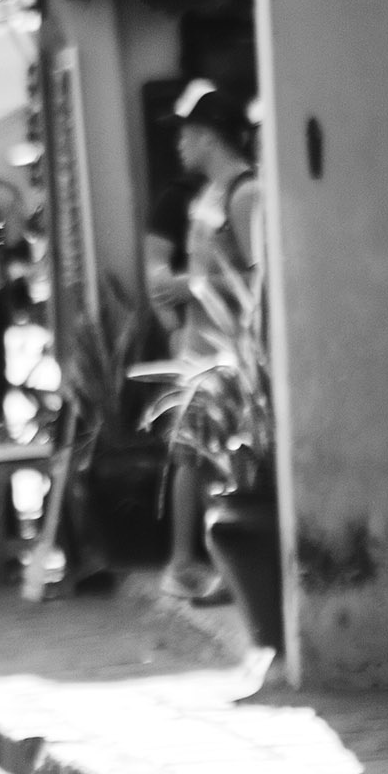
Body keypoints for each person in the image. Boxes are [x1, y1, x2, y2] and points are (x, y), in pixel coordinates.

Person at [149, 78, 261, 605]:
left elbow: (258, 278)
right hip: (199, 352)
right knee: (190, 454)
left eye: (187, 133)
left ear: (210, 135)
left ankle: (216, 567)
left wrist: (191, 286)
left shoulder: (245, 193)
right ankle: (188, 563)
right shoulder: (208, 195)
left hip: (229, 357)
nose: (179, 144)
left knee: (214, 460)